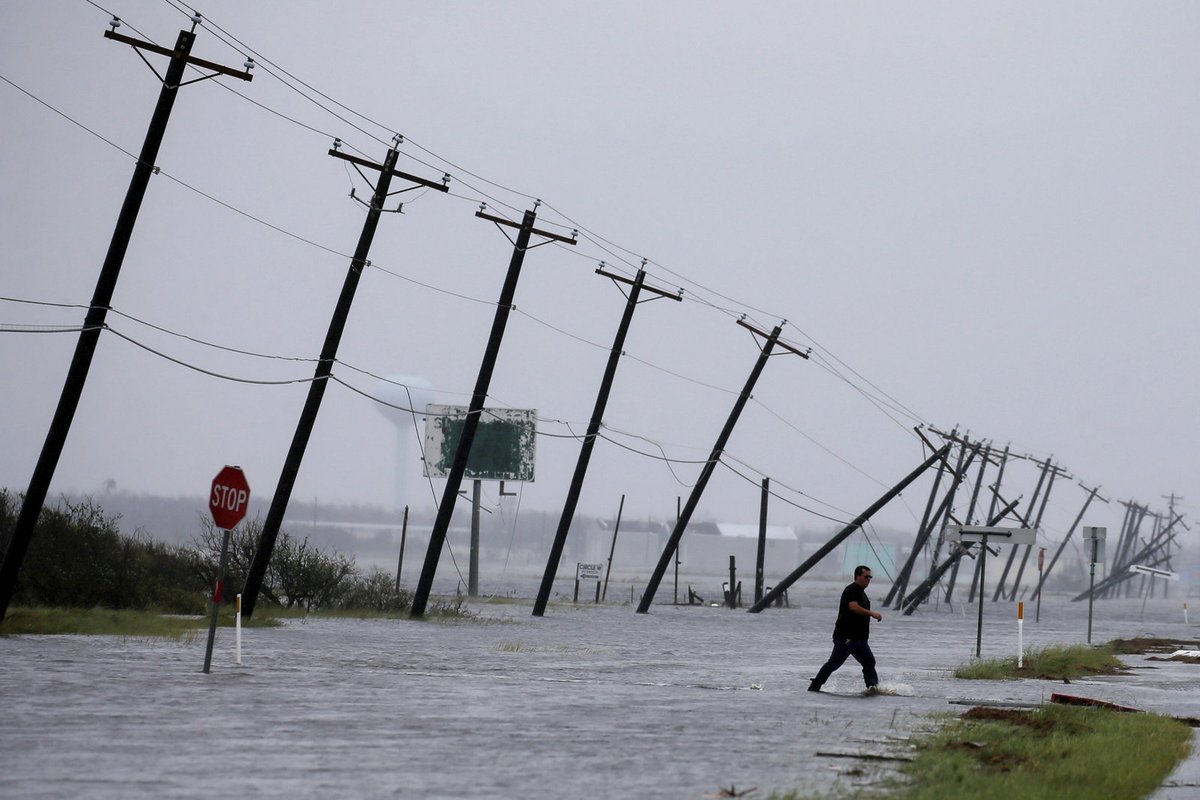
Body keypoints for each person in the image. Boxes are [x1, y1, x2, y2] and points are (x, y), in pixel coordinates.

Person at [808, 565, 881, 693]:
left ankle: (872, 688)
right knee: (834, 663)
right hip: (846, 637)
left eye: (870, 577)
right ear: (858, 576)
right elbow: (853, 607)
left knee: (869, 662)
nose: (868, 579)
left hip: (859, 638)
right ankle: (815, 685)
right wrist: (871, 613)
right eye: (866, 576)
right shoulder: (852, 589)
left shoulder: (863, 594)